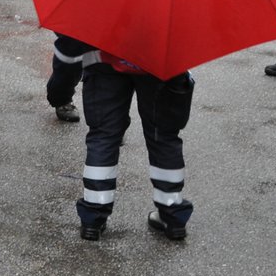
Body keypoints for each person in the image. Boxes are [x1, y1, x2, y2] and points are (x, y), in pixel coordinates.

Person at [47, 35, 195, 242]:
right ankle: (172, 215)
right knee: (163, 137)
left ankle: (93, 216)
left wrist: (59, 93)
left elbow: (68, 48)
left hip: (104, 62)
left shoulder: (98, 1)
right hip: (162, 62)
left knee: (103, 136)